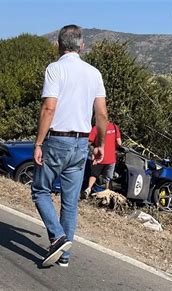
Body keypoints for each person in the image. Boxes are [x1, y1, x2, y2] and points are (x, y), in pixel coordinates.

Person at [31, 24, 108, 267]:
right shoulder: (94, 73)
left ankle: (57, 236)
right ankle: (64, 257)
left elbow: (49, 107)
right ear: (82, 46)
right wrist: (100, 144)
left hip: (57, 140)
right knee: (70, 201)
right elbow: (102, 115)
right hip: (81, 143)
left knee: (40, 190)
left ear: (59, 45)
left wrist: (38, 142)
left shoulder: (55, 69)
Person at [82, 121, 122, 198]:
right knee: (108, 178)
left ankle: (88, 188)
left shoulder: (96, 127)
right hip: (111, 158)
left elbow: (89, 141)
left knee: (94, 175)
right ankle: (106, 194)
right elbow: (119, 142)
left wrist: (92, 152)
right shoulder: (114, 127)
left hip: (98, 157)